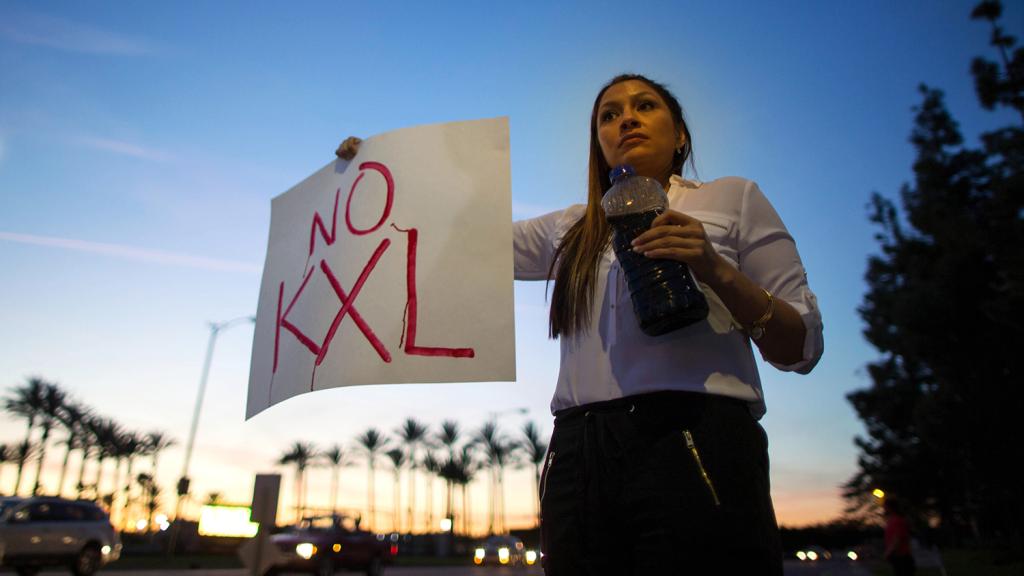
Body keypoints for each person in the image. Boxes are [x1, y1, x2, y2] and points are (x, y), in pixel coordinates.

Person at [337, 73, 824, 574]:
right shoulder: (570, 227)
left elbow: (802, 346)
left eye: (645, 106)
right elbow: (457, 236)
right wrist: (379, 172)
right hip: (579, 454)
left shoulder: (732, 199)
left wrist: (715, 268)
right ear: (598, 142)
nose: (626, 119)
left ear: (680, 134)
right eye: (608, 115)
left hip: (696, 442)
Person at [884, 498, 916, 576]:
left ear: (890, 507)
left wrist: (889, 552)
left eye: (885, 506)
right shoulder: (892, 520)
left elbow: (898, 538)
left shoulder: (898, 520)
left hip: (902, 557)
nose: (884, 509)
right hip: (898, 557)